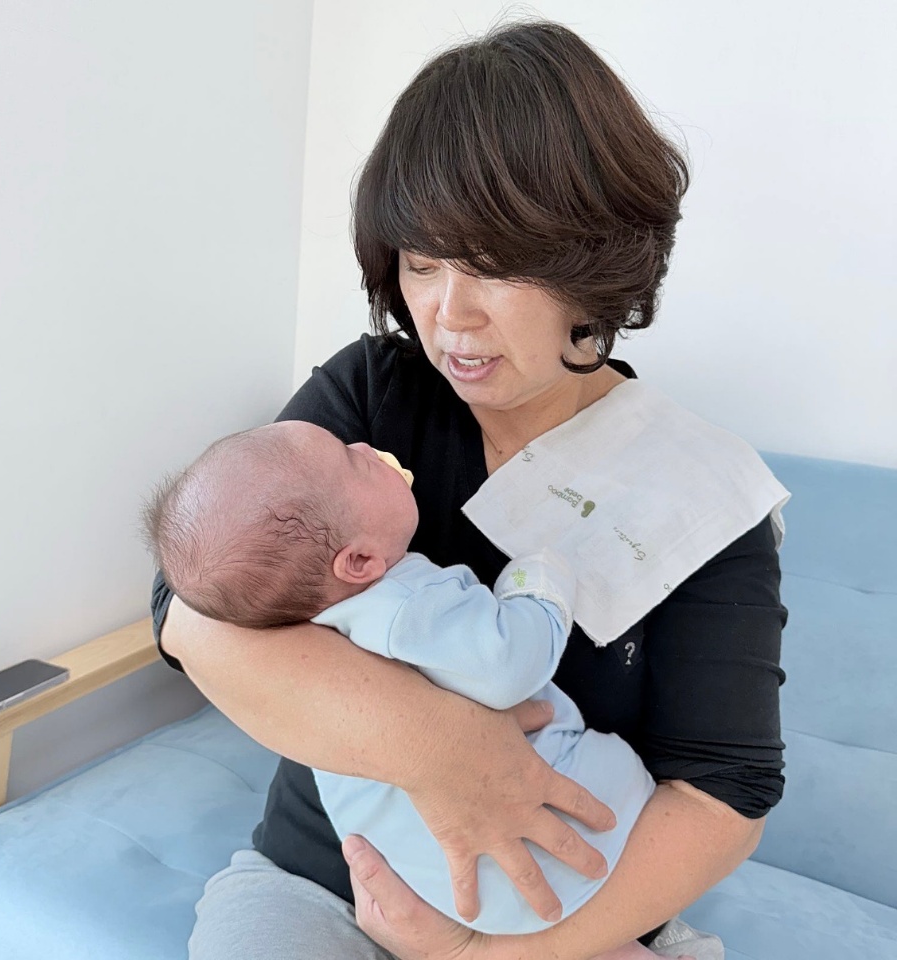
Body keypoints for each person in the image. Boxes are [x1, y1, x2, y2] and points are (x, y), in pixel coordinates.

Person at [153, 19, 786, 960]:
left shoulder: (698, 493)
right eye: (421, 263)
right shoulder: (372, 397)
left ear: (593, 263)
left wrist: (480, 958)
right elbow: (191, 615)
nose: (449, 314)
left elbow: (724, 793)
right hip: (326, 882)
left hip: (565, 919)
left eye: (493, 265)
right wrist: (446, 753)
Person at [142, 421, 671, 951]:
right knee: (616, 775)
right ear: (359, 561)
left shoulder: (298, 622)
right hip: (522, 871)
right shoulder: (408, 605)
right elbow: (510, 664)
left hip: (437, 882)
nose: (365, 445)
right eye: (352, 460)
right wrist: (540, 580)